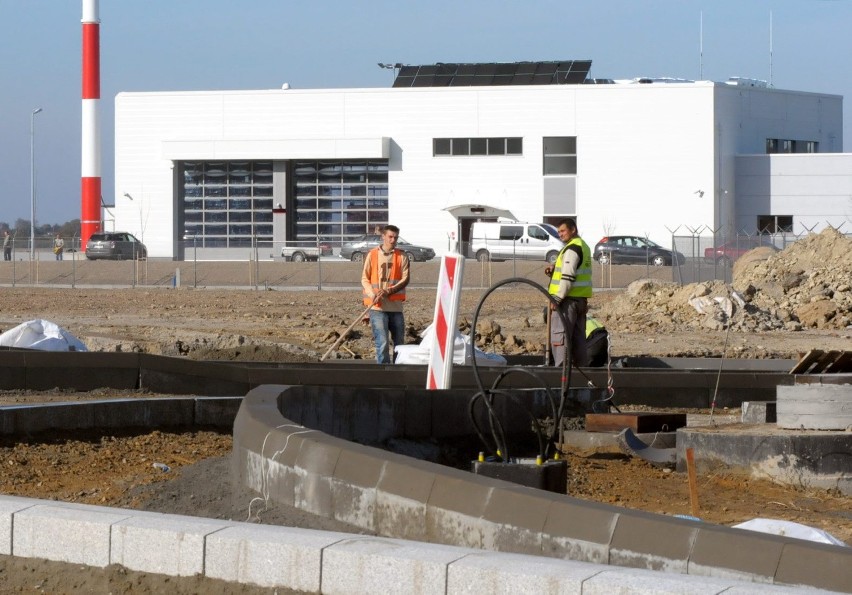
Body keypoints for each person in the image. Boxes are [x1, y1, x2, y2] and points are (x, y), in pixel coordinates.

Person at [544, 218, 592, 367]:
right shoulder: (583, 246)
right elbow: (573, 271)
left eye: (563, 231)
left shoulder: (572, 249)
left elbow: (568, 277)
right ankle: (580, 375)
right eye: (558, 232)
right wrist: (554, 269)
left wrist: (557, 299)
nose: (560, 234)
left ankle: (562, 376)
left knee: (561, 339)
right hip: (580, 300)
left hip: (567, 302)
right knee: (578, 341)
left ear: (573, 230)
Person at [361, 224, 410, 364]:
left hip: (395, 308)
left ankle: (398, 372)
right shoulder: (372, 255)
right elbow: (365, 279)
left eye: (395, 237)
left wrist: (388, 291)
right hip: (377, 308)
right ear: (383, 237)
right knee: (382, 343)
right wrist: (372, 295)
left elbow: (405, 279)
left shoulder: (402, 256)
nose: (393, 240)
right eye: (390, 237)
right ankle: (383, 374)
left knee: (399, 344)